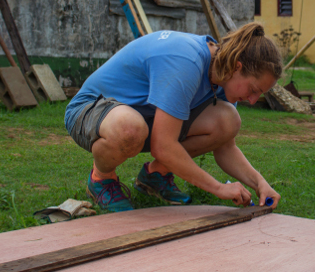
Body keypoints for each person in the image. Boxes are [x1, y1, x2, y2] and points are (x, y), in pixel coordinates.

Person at [64, 22, 282, 212]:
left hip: (143, 119)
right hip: (90, 110)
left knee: (228, 120)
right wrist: (218, 188)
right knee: (130, 129)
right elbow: (163, 146)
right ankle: (101, 179)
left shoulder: (223, 77)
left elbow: (225, 147)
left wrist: (259, 183)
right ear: (237, 67)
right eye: (253, 89)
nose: (253, 100)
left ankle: (155, 176)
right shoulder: (187, 61)